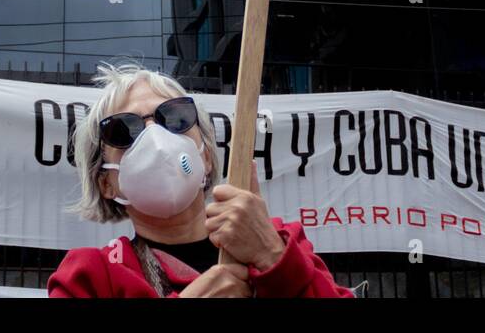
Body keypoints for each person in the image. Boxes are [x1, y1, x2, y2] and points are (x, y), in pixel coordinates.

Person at [47, 63, 352, 298]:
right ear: (106, 184)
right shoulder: (89, 276)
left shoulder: (281, 242)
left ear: (206, 157)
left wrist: (272, 256)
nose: (157, 137)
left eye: (175, 118)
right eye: (124, 131)